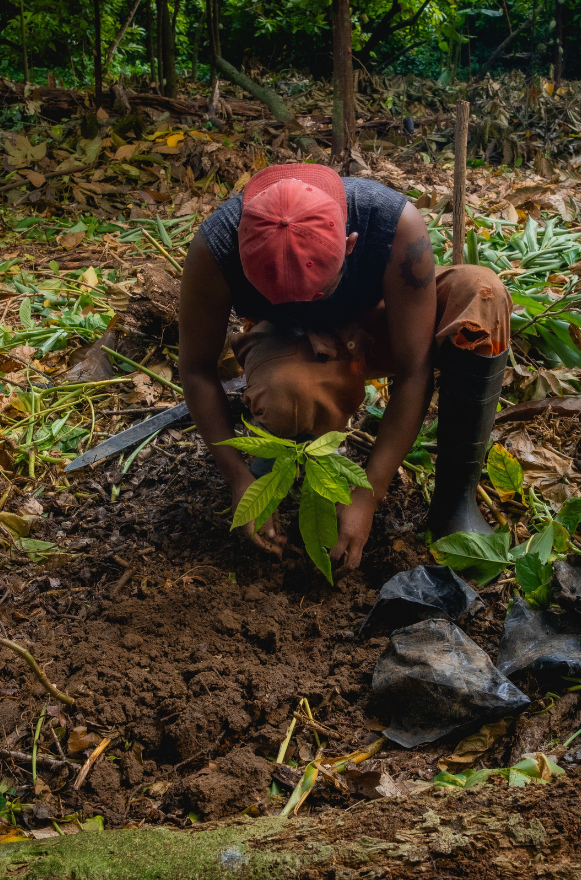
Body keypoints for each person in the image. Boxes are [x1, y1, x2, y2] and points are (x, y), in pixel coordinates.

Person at [179, 163, 511, 577]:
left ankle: (456, 501)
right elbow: (195, 371)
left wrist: (368, 492)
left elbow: (414, 369)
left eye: (319, 289)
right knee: (288, 391)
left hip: (382, 323)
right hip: (293, 342)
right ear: (245, 258)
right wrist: (238, 479)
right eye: (286, 295)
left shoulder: (391, 224)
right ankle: (280, 466)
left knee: (483, 296)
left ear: (350, 244)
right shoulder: (216, 248)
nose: (305, 301)